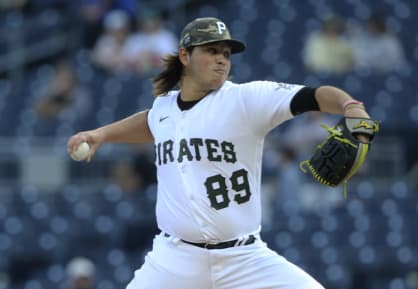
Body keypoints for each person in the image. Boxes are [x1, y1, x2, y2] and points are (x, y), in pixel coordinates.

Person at [67, 17, 372, 289]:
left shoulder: (246, 100)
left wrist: (351, 107)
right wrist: (101, 135)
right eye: (211, 51)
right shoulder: (164, 109)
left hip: (244, 258)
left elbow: (313, 97)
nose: (222, 60)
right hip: (174, 260)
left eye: (226, 54)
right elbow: (150, 122)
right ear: (185, 55)